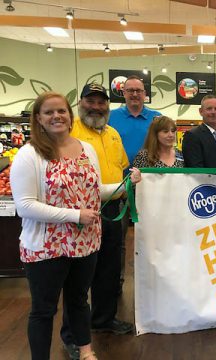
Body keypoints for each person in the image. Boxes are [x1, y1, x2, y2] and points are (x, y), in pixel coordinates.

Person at [10, 92, 141, 360]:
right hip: (46, 247)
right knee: (43, 310)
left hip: (85, 243)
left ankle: (85, 351)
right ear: (38, 118)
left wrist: (125, 186)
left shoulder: (86, 149)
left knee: (79, 301)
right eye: (49, 112)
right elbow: (24, 205)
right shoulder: (29, 154)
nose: (56, 116)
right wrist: (74, 215)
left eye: (61, 111)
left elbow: (95, 191)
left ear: (70, 116)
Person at [60, 83, 132, 358]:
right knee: (78, 278)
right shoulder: (70, 132)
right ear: (81, 103)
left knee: (109, 270)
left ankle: (103, 320)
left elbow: (121, 167)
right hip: (80, 214)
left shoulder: (113, 134)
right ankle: (72, 337)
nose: (97, 107)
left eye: (102, 102)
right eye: (91, 101)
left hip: (113, 210)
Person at [108, 75, 160, 293]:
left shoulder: (156, 118)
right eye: (130, 90)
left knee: (152, 234)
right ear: (124, 93)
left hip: (150, 185)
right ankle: (115, 282)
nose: (135, 94)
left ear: (145, 93)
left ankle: (153, 280)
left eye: (138, 90)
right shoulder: (111, 117)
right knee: (116, 237)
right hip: (118, 185)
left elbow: (166, 146)